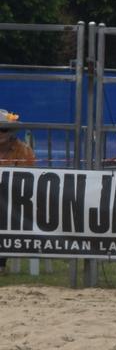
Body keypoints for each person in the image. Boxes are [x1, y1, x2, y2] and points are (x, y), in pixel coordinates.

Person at [0, 110, 35, 275]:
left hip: (14, 201)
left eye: (4, 129)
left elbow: (28, 182)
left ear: (11, 132)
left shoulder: (24, 151)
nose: (1, 133)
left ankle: (0, 264)